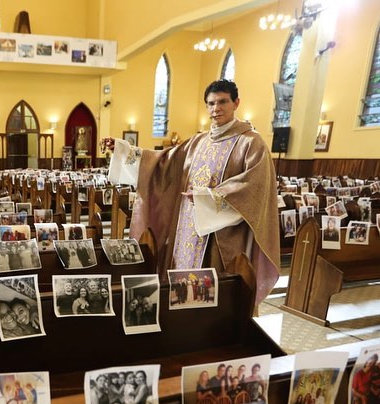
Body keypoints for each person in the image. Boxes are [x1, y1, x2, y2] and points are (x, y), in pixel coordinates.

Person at [106, 80, 279, 306]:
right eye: (211, 103)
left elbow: (255, 188)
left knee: (212, 296)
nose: (216, 108)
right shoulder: (198, 141)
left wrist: (208, 199)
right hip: (186, 228)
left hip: (221, 234)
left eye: (222, 102)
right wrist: (124, 151)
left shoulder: (251, 143)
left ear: (236, 103)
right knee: (180, 287)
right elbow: (163, 163)